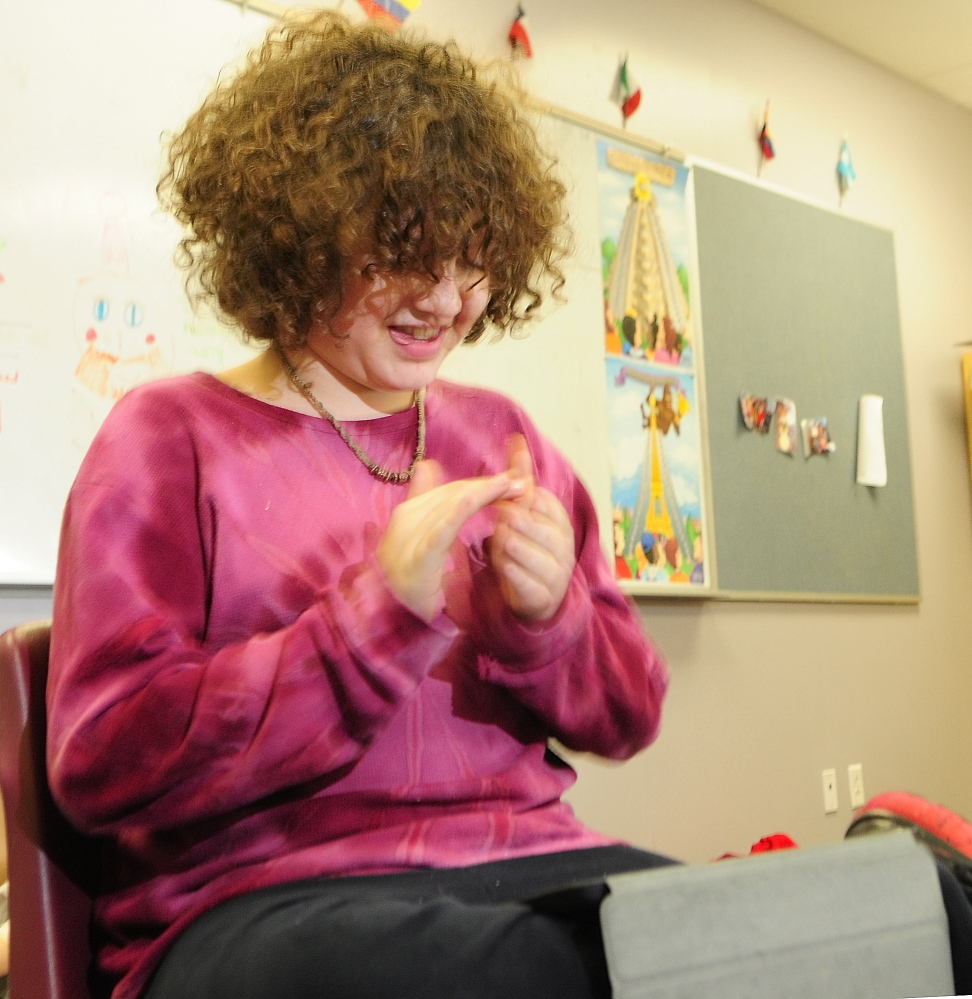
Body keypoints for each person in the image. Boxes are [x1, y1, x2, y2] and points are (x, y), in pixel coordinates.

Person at [46, 13, 671, 999]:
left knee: (833, 924)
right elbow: (103, 762)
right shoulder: (167, 438)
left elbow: (631, 712)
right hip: (258, 903)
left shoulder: (501, 432)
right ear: (294, 240)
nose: (448, 296)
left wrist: (551, 626)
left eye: (473, 258)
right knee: (557, 972)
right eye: (404, 253)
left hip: (526, 866)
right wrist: (367, 626)